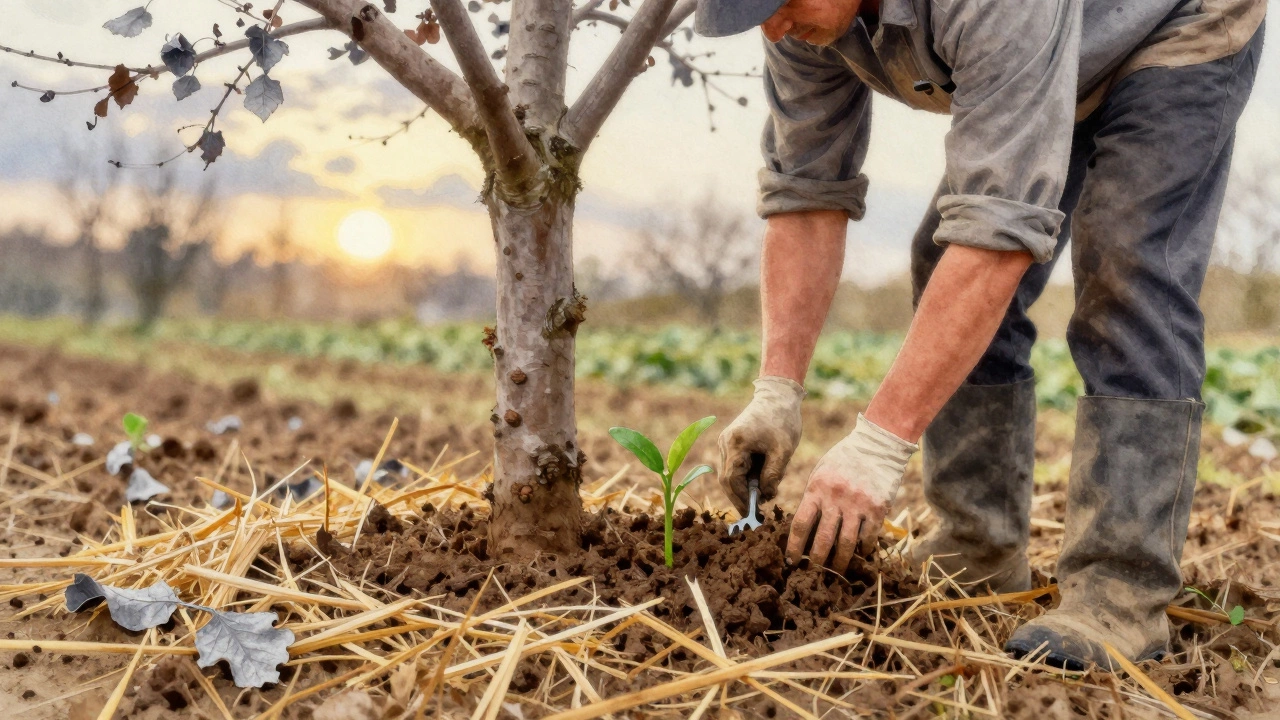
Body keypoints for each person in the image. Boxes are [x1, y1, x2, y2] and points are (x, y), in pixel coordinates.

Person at [701, 0, 1266, 670]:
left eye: (779, 2)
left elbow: (996, 238)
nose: (772, 26)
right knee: (944, 258)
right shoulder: (799, 20)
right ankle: (980, 545)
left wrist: (880, 445)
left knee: (1127, 267)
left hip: (1170, 21)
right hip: (1054, 45)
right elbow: (807, 191)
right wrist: (777, 390)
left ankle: (1120, 591)